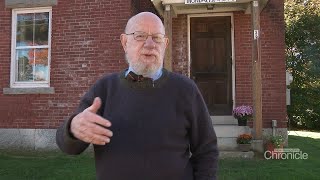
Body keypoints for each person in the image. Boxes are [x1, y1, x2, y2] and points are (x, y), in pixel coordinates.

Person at [56, 12, 219, 180]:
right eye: (140, 36)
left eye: (157, 38)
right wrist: (73, 128)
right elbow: (68, 146)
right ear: (125, 42)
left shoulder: (186, 90)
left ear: (165, 44)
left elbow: (206, 150)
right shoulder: (104, 89)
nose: (150, 44)